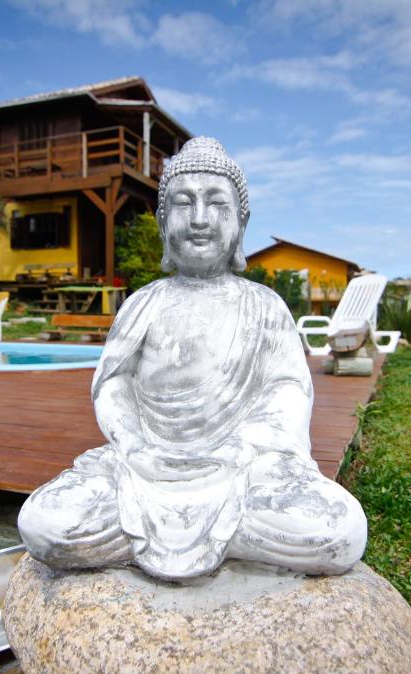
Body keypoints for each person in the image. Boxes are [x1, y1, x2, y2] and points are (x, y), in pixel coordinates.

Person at [18, 137, 367, 581]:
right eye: (184, 204)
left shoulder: (264, 306)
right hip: (144, 467)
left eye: (217, 204)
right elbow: (114, 383)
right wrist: (132, 440)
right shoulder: (144, 303)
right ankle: (219, 540)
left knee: (339, 531)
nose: (201, 219)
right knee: (45, 523)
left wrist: (248, 446)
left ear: (241, 222)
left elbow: (287, 390)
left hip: (245, 467)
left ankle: (205, 535)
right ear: (164, 222)